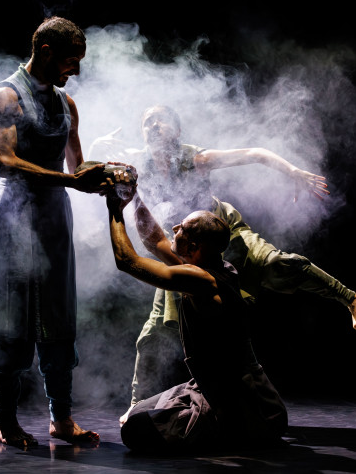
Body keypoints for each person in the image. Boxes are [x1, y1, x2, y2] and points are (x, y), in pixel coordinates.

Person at [89, 105, 356, 422]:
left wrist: (293, 173)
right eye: (147, 121)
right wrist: (96, 148)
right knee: (157, 330)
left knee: (280, 264)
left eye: (162, 119)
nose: (154, 125)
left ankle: (349, 298)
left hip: (223, 233)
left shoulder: (197, 159)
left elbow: (255, 153)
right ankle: (137, 404)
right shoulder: (136, 161)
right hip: (186, 245)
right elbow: (91, 170)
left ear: (178, 130)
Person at [0, 16, 105, 449]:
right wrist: (70, 182)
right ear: (45, 51)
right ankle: (7, 424)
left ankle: (61, 419)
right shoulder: (6, 95)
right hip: (15, 216)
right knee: (10, 318)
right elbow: (6, 162)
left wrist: (109, 175)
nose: (75, 70)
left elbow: (77, 166)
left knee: (59, 317)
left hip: (53, 220)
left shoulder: (67, 104)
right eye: (69, 61)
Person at [104, 171, 288, 452]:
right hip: (217, 385)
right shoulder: (214, 265)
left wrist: (114, 209)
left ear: (193, 247)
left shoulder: (203, 280)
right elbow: (156, 241)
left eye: (182, 228)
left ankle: (235, 433)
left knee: (136, 430)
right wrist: (134, 198)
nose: (175, 227)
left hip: (243, 400)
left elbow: (127, 261)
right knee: (140, 411)